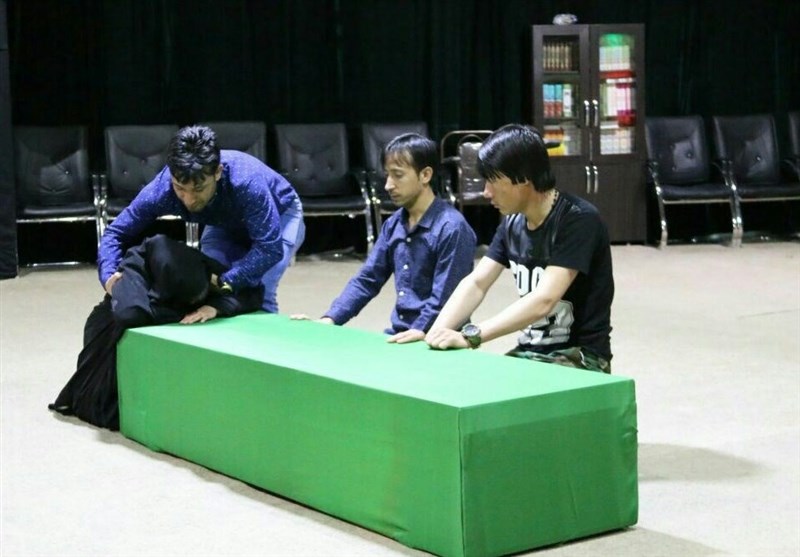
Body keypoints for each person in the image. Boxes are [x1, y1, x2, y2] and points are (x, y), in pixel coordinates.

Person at [424, 124, 614, 372]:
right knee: (466, 379)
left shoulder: (578, 220)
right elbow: (477, 283)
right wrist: (437, 333)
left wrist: (472, 336)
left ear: (524, 177)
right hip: (531, 352)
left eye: (493, 181)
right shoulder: (512, 223)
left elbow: (544, 300)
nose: (486, 192)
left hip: (582, 357)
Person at [49, 234, 264, 430]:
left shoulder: (199, 266)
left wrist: (214, 307)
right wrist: (175, 313)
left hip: (168, 294)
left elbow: (252, 292)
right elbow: (130, 314)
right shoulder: (136, 267)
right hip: (112, 323)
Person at [98, 125, 304, 312]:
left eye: (198, 188)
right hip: (224, 223)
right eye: (180, 188)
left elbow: (268, 248)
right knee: (207, 294)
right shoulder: (161, 190)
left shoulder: (247, 183)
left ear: (217, 172)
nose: (189, 200)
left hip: (280, 215)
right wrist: (108, 276)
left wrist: (227, 280)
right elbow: (116, 232)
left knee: (259, 292)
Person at [293, 133, 476, 342]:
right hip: (402, 333)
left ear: (425, 175)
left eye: (398, 175)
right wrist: (331, 318)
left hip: (441, 338)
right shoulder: (394, 224)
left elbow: (446, 297)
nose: (388, 185)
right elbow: (368, 279)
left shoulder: (452, 228)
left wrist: (420, 329)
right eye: (387, 175)